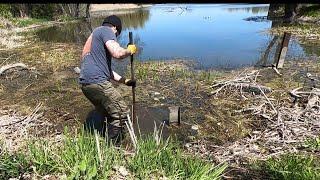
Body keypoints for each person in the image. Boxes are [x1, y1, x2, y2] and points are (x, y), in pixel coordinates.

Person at [79, 15, 137, 142]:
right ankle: (112, 148)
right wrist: (128, 50)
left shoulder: (95, 36)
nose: (115, 37)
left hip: (86, 85)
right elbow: (117, 53)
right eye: (117, 34)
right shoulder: (106, 31)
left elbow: (107, 72)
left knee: (108, 113)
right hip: (97, 82)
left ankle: (102, 137)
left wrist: (125, 81)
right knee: (121, 113)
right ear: (115, 28)